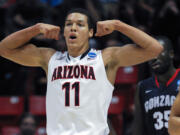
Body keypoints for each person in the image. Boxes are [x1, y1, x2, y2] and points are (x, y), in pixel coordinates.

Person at [0, 8, 163, 135]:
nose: (73, 28)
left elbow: (154, 49)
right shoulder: (49, 58)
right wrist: (35, 29)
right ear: (63, 32)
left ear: (90, 32)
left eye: (80, 24)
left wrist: (118, 25)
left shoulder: (106, 58)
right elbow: (4, 49)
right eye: (69, 24)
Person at [133, 36, 179, 135]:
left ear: (171, 54)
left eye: (158, 52)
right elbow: (138, 128)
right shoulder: (143, 87)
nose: (154, 57)